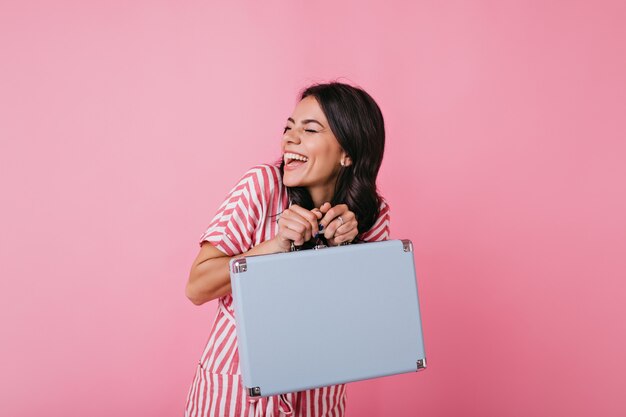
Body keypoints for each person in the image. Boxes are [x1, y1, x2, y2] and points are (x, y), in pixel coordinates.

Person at [184, 81, 390, 417]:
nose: (289, 139)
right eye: (288, 127)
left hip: (319, 401)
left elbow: (371, 328)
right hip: (236, 398)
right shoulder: (262, 185)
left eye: (309, 129)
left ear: (347, 152)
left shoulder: (371, 215)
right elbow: (196, 287)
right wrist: (274, 246)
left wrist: (351, 252)